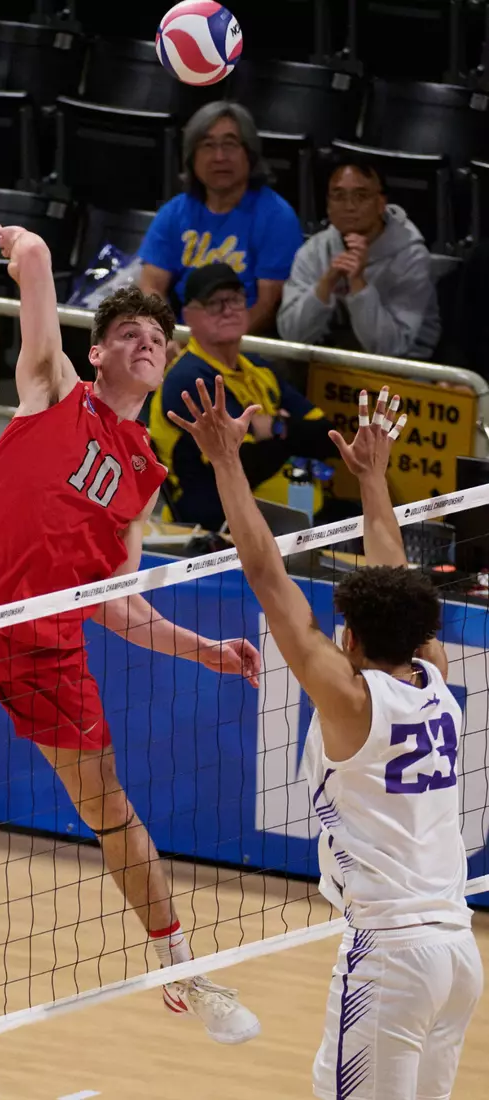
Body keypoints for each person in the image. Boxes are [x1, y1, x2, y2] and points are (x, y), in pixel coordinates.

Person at [0, 226, 262, 1047]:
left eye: (157, 339)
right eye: (129, 336)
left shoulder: (145, 473)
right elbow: (34, 282)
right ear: (99, 354)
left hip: (49, 646)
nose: (146, 345)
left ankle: (178, 966)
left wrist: (205, 650)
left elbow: (117, 603)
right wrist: (27, 249)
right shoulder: (52, 390)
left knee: (108, 808)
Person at [169, 381, 482, 1099]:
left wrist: (224, 462)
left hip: (390, 959)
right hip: (457, 950)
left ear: (347, 636)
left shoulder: (347, 698)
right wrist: (373, 480)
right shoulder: (433, 674)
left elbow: (264, 575)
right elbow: (393, 577)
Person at [148, 263, 336, 530]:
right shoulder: (190, 379)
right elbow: (243, 464)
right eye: (214, 303)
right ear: (189, 315)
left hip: (289, 518)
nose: (228, 310)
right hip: (220, 528)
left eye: (235, 299)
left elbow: (326, 437)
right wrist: (291, 437)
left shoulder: (258, 368)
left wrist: (274, 428)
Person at [138, 102, 303, 334]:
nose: (219, 156)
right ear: (192, 158)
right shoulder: (175, 212)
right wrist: (164, 336)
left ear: (250, 154)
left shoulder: (276, 217)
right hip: (182, 338)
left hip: (244, 346)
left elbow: (267, 305)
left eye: (230, 144)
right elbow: (150, 285)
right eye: (207, 145)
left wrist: (212, 350)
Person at [277, 155, 440, 360]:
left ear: (381, 203)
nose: (349, 206)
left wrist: (358, 284)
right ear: (328, 205)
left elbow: (391, 348)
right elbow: (291, 336)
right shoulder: (314, 250)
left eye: (361, 196)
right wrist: (326, 284)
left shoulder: (412, 257)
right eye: (338, 196)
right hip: (327, 363)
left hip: (403, 372)